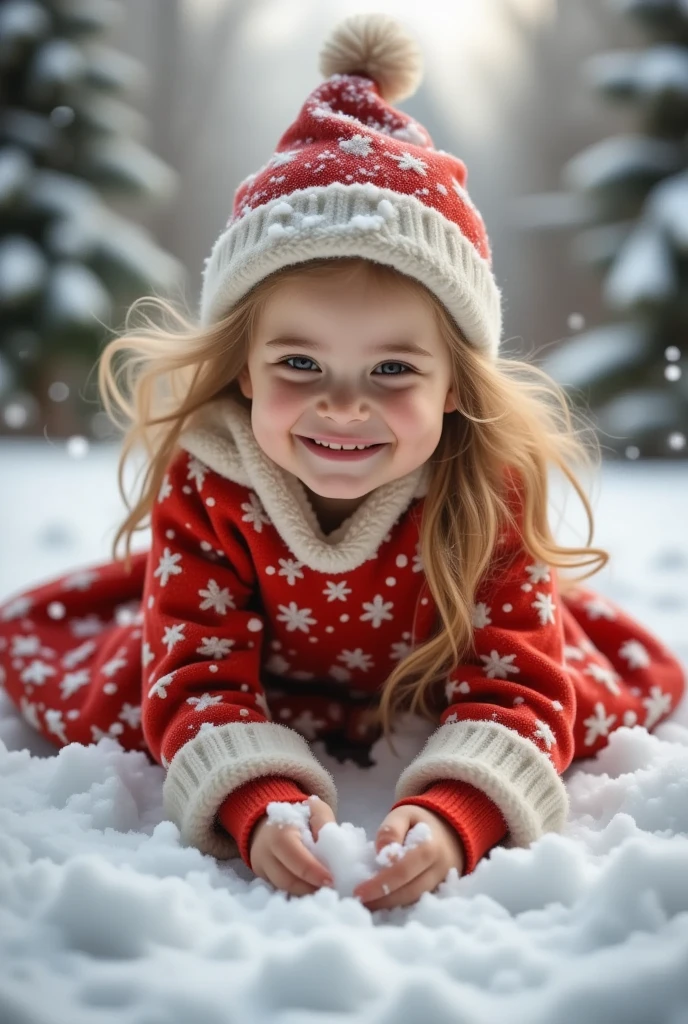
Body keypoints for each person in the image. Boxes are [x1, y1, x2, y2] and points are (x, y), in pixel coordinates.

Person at [0, 14, 684, 912]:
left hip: (430, 681)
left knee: (570, 693)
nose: (345, 404)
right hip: (258, 680)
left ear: (453, 383)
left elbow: (512, 679)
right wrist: (251, 795)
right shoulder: (213, 483)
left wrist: (457, 809)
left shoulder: (483, 489)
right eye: (300, 365)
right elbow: (196, 669)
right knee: (133, 700)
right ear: (244, 367)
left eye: (393, 369)